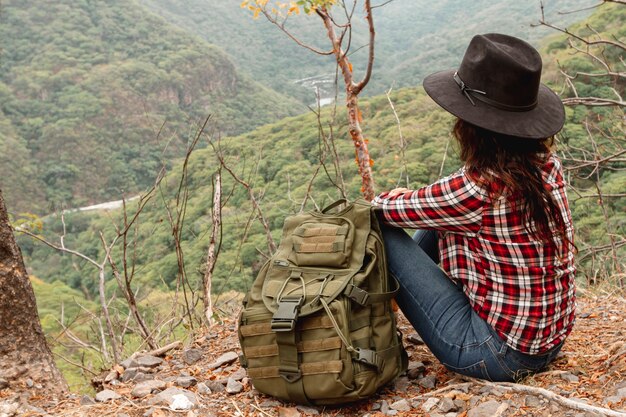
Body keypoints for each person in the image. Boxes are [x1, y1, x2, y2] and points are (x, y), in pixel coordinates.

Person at [371, 33, 576, 382]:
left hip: (495, 355)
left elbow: (378, 210)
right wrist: (423, 204)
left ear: (472, 127)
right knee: (437, 217)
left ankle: (371, 316)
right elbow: (450, 203)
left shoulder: (480, 190)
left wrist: (398, 197)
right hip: (548, 341)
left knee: (385, 234)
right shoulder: (543, 165)